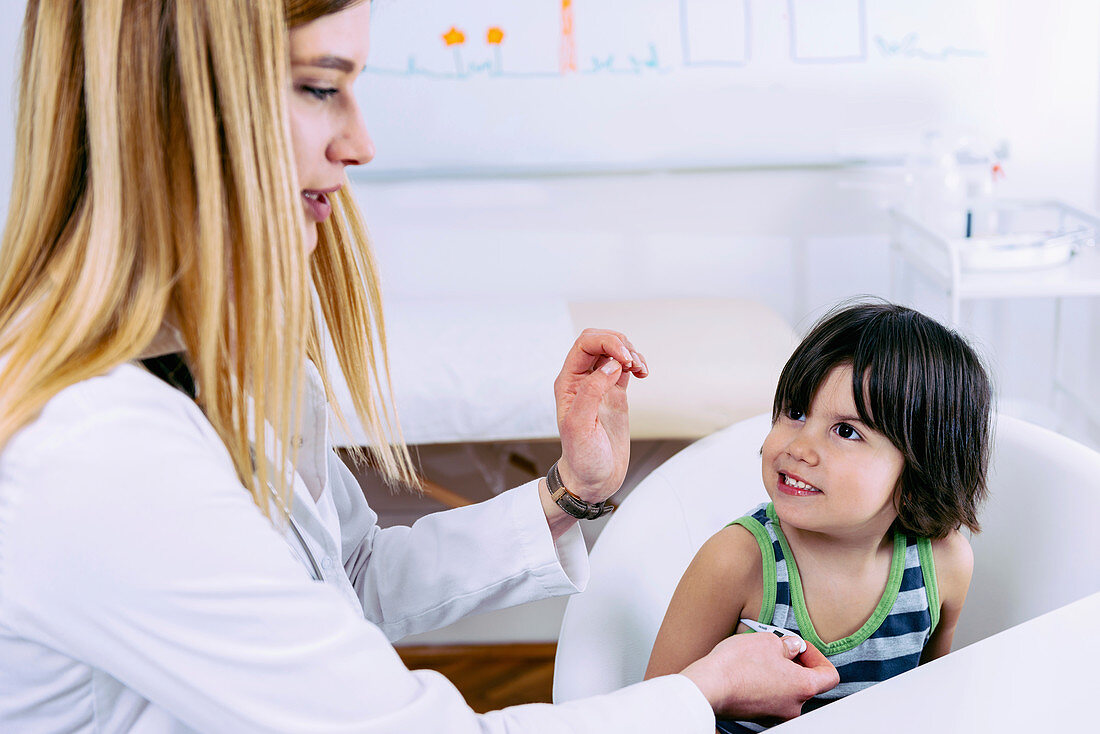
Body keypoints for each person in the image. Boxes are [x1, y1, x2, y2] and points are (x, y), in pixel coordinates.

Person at [0, 1, 838, 731]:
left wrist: (570, 494)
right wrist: (698, 695)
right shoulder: (97, 453)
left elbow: (347, 581)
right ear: (172, 107)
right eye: (321, 87)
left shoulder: (218, 369)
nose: (360, 143)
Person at [644, 301, 993, 732]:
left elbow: (930, 701)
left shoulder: (942, 565)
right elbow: (657, 714)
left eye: (846, 431)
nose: (799, 447)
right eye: (796, 412)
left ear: (924, 466)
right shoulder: (737, 561)